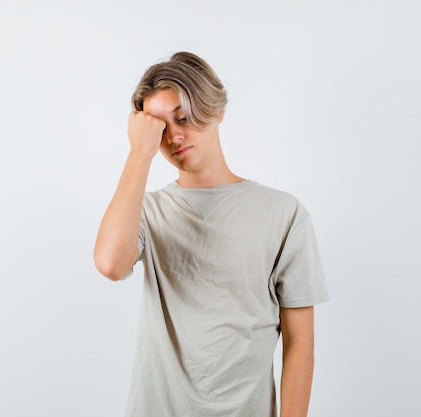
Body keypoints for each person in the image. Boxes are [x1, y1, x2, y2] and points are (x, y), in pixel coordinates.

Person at [94, 52, 329, 417]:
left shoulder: (283, 213)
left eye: (183, 118)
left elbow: (300, 341)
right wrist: (140, 152)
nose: (173, 136)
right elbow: (110, 263)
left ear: (216, 111)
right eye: (159, 127)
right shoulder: (148, 211)